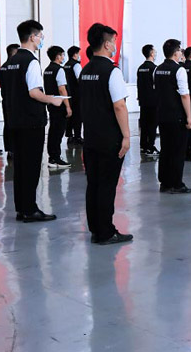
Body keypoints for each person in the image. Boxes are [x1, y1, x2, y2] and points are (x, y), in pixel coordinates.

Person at [0, 20, 63, 221]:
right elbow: (34, 92)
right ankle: (29, 209)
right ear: (33, 37)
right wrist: (52, 99)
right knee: (31, 166)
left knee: (20, 167)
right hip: (31, 121)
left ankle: (22, 208)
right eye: (41, 36)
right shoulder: (31, 61)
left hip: (15, 120)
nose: (42, 39)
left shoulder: (10, 62)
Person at [80, 23, 133, 245]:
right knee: (107, 185)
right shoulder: (112, 71)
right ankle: (106, 232)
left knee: (93, 184)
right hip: (109, 138)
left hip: (91, 136)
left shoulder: (85, 70)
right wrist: (127, 136)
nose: (115, 45)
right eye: (113, 41)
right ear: (107, 44)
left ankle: (95, 228)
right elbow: (119, 106)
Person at [155, 39, 191, 194]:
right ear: (176, 52)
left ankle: (164, 182)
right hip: (177, 116)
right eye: (180, 50)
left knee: (166, 148)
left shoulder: (157, 69)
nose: (181, 53)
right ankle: (176, 183)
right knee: (178, 150)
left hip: (162, 115)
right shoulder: (179, 70)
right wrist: (189, 117)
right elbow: (184, 95)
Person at [43, 46, 72, 168]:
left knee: (53, 130)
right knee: (58, 131)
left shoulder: (47, 70)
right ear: (58, 56)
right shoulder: (59, 70)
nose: (63, 57)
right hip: (60, 105)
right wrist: (68, 106)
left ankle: (52, 157)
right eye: (62, 55)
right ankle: (55, 158)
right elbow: (62, 89)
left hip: (51, 104)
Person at [137, 44, 159, 157]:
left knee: (144, 124)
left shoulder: (140, 68)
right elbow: (157, 85)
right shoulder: (154, 68)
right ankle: (150, 147)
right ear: (151, 53)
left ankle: (143, 146)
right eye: (154, 51)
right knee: (152, 124)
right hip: (153, 101)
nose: (155, 53)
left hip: (143, 101)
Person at [2, 43, 19, 156]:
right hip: (15, 101)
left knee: (7, 124)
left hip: (6, 100)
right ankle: (15, 148)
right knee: (15, 125)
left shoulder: (3, 66)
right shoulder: (14, 67)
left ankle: (9, 149)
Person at [64, 46, 84, 145]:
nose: (80, 56)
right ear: (75, 54)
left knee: (70, 116)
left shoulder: (65, 65)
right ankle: (78, 136)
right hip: (77, 94)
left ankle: (69, 136)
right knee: (78, 116)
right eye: (79, 53)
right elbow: (79, 79)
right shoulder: (76, 65)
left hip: (68, 93)